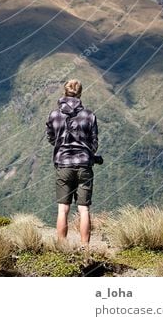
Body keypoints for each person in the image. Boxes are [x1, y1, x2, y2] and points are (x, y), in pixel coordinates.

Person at [45, 78, 99, 245]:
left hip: (63, 166)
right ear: (80, 93)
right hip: (84, 166)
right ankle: (85, 248)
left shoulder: (54, 115)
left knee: (63, 208)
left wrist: (62, 146)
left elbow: (51, 138)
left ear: (64, 92)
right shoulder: (89, 116)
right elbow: (94, 144)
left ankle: (62, 246)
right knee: (84, 209)